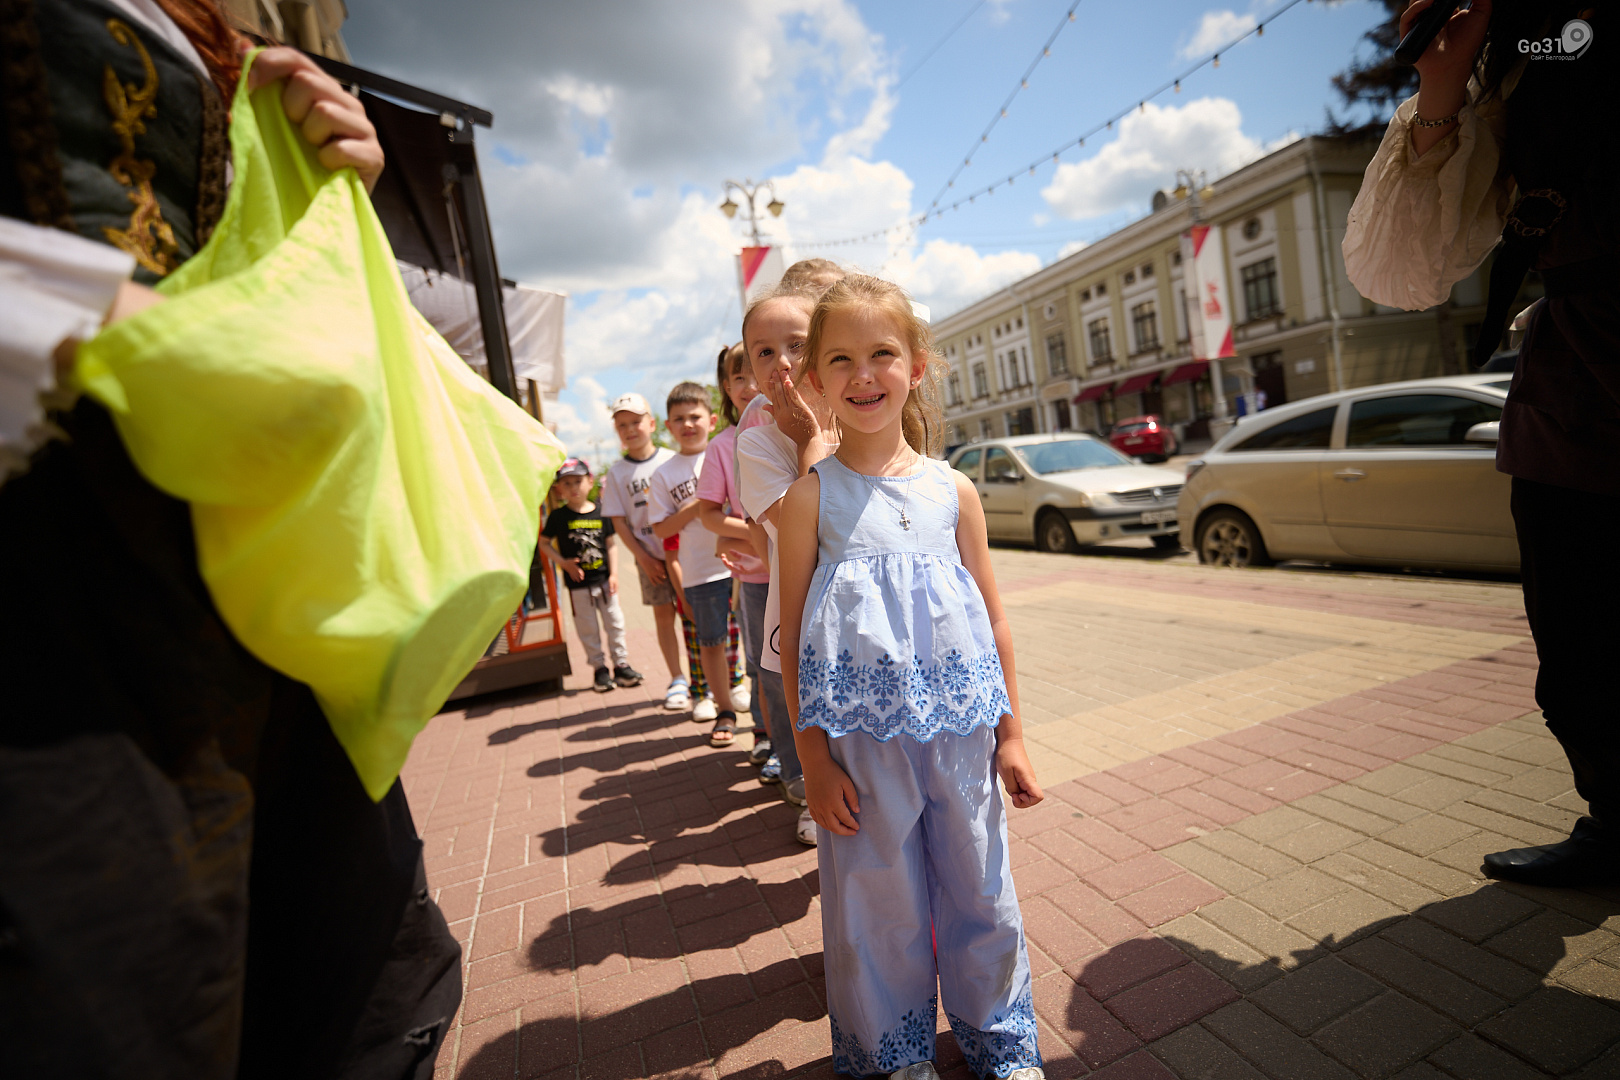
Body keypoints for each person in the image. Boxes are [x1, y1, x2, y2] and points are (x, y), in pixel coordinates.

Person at [0, 3, 466, 1074]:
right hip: (45, 593)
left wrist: (318, 192)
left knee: (362, 990)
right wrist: (68, 318)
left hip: (248, 583)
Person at [1343, 0, 1619, 887]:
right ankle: (1615, 822)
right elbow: (1407, 266)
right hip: (1575, 364)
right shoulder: (1524, 43)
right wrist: (1443, 80)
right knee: (1573, 637)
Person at [777, 275, 1045, 1080]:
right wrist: (812, 760)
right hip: (860, 747)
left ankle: (1000, 1040)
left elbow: (993, 620)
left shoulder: (953, 490)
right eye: (840, 359)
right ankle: (894, 1055)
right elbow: (793, 644)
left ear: (916, 367)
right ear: (816, 380)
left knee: (981, 889)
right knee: (877, 901)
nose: (863, 375)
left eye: (882, 354)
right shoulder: (810, 500)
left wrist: (1013, 734)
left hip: (962, 735)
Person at [736, 281, 841, 846]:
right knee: (821, 729)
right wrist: (808, 441)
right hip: (809, 622)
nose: (782, 362)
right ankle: (810, 794)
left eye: (797, 345)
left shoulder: (862, 420)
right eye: (764, 351)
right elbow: (809, 530)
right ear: (750, 371)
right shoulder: (756, 446)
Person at [650, 382, 744, 746]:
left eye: (695, 416)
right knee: (711, 641)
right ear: (667, 427)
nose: (688, 424)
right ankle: (723, 708)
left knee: (750, 638)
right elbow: (661, 529)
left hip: (744, 562)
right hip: (700, 572)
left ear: (712, 419)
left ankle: (748, 696)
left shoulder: (728, 451)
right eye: (679, 419)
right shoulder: (664, 474)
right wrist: (697, 506)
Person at [697, 344, 772, 764]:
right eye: (738, 377)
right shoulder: (722, 446)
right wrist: (752, 535)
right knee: (763, 663)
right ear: (726, 387)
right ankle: (766, 735)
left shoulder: (795, 430)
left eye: (754, 374)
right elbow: (709, 514)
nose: (748, 385)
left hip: (809, 569)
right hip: (757, 576)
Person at [599, 392, 690, 710]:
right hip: (649, 558)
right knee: (664, 617)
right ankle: (677, 678)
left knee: (694, 613)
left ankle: (706, 675)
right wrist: (643, 558)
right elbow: (619, 521)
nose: (629, 429)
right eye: (622, 425)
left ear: (652, 424)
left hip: (687, 555)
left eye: (635, 422)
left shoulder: (672, 459)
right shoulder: (617, 473)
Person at [540, 458, 642, 693]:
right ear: (559, 489)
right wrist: (563, 563)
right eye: (567, 484)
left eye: (578, 481)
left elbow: (611, 544)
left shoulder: (602, 512)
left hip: (605, 582)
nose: (573, 488)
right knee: (588, 628)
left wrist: (614, 574)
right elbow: (544, 543)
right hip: (578, 586)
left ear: (589, 481)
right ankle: (599, 670)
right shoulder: (558, 517)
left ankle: (621, 665)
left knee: (615, 623)